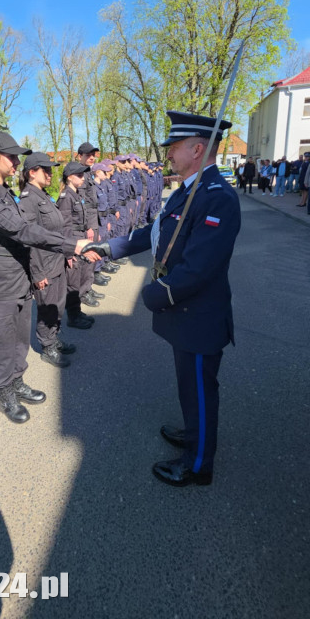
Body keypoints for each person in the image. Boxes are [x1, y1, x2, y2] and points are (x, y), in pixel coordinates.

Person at [83, 111, 241, 487]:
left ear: (198, 148)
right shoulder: (187, 191)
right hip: (185, 316)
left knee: (201, 389)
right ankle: (194, 432)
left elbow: (199, 268)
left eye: (174, 147)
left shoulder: (217, 198)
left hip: (198, 316)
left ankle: (199, 464)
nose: (168, 154)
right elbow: (153, 234)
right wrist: (107, 247)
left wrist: (157, 294)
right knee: (189, 384)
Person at [0, 131, 96, 423]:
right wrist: (72, 245)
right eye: (11, 156)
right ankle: (4, 391)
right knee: (4, 340)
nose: (15, 162)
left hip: (18, 273)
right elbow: (24, 231)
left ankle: (17, 380)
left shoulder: (4, 194)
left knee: (21, 336)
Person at [18, 152, 77, 368]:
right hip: (44, 264)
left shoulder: (43, 195)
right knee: (46, 308)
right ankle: (47, 346)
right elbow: (30, 240)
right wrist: (38, 273)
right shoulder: (28, 199)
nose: (51, 174)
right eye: (46, 170)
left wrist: (66, 254)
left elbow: (57, 230)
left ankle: (54, 337)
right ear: (32, 172)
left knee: (58, 305)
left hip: (56, 260)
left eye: (51, 169)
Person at [56, 160, 98, 330]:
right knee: (73, 282)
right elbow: (64, 227)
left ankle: (77, 311)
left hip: (80, 237)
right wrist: (69, 252)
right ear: (70, 177)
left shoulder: (77, 194)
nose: (83, 178)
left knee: (80, 277)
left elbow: (83, 215)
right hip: (72, 241)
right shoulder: (66, 197)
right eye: (79, 175)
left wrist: (88, 227)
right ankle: (72, 316)